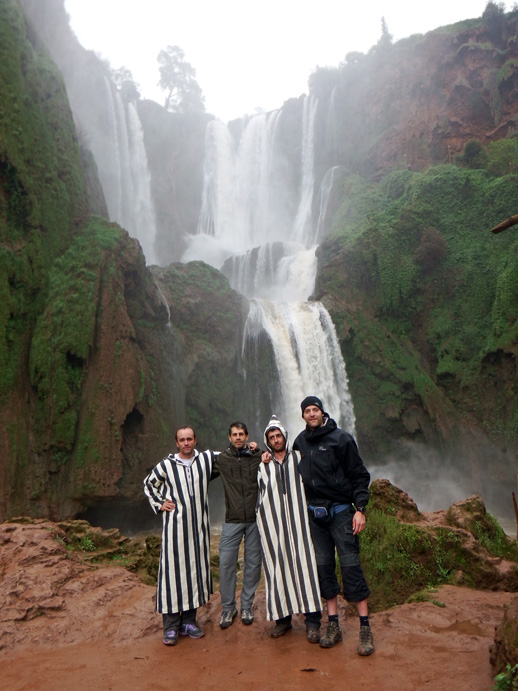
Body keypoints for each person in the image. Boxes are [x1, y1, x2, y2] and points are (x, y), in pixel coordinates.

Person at [293, 396, 374, 657]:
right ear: (303, 415)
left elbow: (360, 475)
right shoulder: (300, 442)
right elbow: (284, 463)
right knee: (324, 568)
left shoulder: (341, 439)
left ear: (322, 411)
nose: (312, 414)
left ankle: (365, 628)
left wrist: (360, 509)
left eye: (315, 409)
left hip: (341, 512)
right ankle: (333, 624)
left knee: (351, 565)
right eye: (307, 410)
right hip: (315, 516)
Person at [143, 426, 218, 647]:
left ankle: (189, 622)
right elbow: (149, 484)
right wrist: (160, 503)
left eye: (189, 439)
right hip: (175, 530)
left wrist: (254, 448)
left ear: (195, 440)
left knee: (194, 573)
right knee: (172, 576)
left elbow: (232, 453)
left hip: (199, 531)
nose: (186, 443)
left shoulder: (206, 459)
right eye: (182, 440)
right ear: (177, 443)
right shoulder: (167, 465)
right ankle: (171, 626)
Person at [257, 415, 322, 642]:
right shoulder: (263, 466)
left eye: (278, 435)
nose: (276, 440)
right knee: (278, 569)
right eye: (271, 437)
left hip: (300, 524)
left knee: (307, 567)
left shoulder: (299, 457)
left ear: (285, 436)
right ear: (267, 442)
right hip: (274, 527)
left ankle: (313, 621)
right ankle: (282, 620)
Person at [215, 421, 263, 629]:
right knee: (226, 564)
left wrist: (259, 449)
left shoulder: (258, 458)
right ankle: (228, 608)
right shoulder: (222, 460)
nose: (238, 437)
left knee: (253, 565)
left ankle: (246, 606)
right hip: (232, 520)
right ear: (229, 437)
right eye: (234, 434)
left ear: (247, 436)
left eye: (241, 434)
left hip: (254, 519)